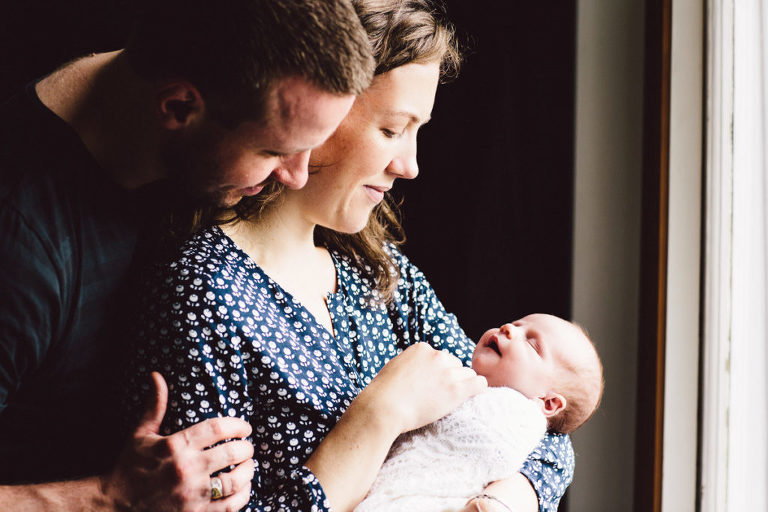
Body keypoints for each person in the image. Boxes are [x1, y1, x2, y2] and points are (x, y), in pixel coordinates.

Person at [124, 1, 575, 511]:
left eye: (417, 130)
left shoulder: (381, 275)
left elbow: (537, 416)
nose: (410, 166)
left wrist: (511, 497)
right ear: (320, 111)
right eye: (391, 129)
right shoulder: (200, 291)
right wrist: (379, 415)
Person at [0, 0, 374, 510]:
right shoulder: (23, 252)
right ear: (178, 108)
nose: (297, 177)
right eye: (273, 151)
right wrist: (110, 496)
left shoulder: (156, 85)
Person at [356, 314, 604, 512]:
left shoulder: (518, 416)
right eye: (517, 324)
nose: (508, 328)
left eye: (530, 342)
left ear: (548, 404)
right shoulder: (460, 377)